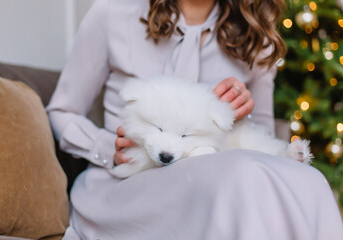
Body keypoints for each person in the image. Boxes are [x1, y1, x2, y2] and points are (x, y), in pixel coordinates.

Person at [46, 0, 343, 239]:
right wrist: (108, 146)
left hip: (221, 186)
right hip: (126, 187)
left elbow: (261, 144)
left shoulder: (256, 34)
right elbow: (61, 111)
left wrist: (242, 112)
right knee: (243, 175)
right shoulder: (113, 12)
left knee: (311, 180)